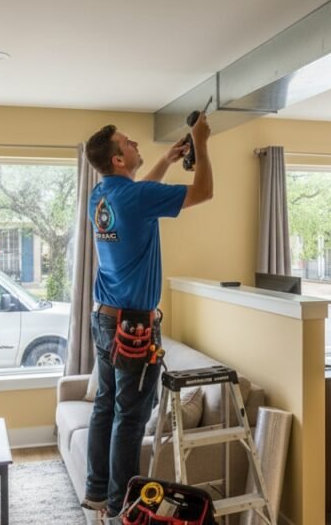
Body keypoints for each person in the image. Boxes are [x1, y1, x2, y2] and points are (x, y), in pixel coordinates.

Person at [82, 112, 213, 518]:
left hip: (104, 319)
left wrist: (168, 160)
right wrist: (201, 142)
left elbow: (137, 193)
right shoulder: (135, 199)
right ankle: (125, 509)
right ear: (118, 159)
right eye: (130, 142)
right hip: (132, 327)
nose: (136, 144)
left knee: (105, 407)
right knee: (130, 417)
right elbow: (204, 191)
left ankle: (97, 493)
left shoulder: (101, 197)